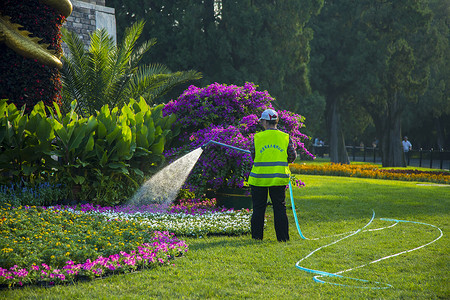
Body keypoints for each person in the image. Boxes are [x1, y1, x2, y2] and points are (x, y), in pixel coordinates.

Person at [248, 109, 297, 242]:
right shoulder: (285, 137)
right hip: (278, 178)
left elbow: (253, 156)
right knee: (280, 208)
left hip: (259, 179)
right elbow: (292, 156)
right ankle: (283, 238)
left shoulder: (257, 137)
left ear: (264, 121)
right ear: (276, 121)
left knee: (258, 208)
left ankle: (257, 238)